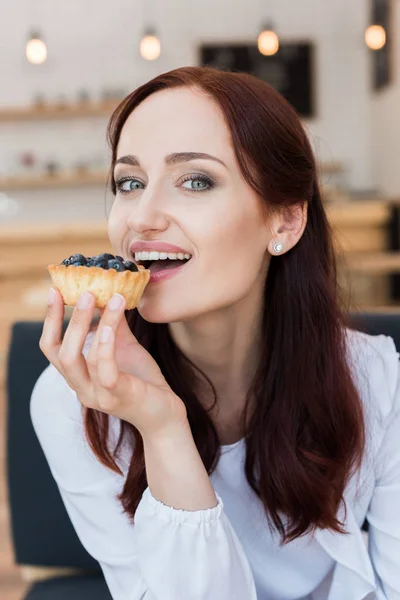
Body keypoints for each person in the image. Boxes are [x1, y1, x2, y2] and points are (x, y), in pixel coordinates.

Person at [30, 66, 400, 600]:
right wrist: (162, 429)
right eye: (129, 183)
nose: (143, 217)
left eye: (196, 181)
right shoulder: (75, 403)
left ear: (284, 223)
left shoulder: (377, 383)